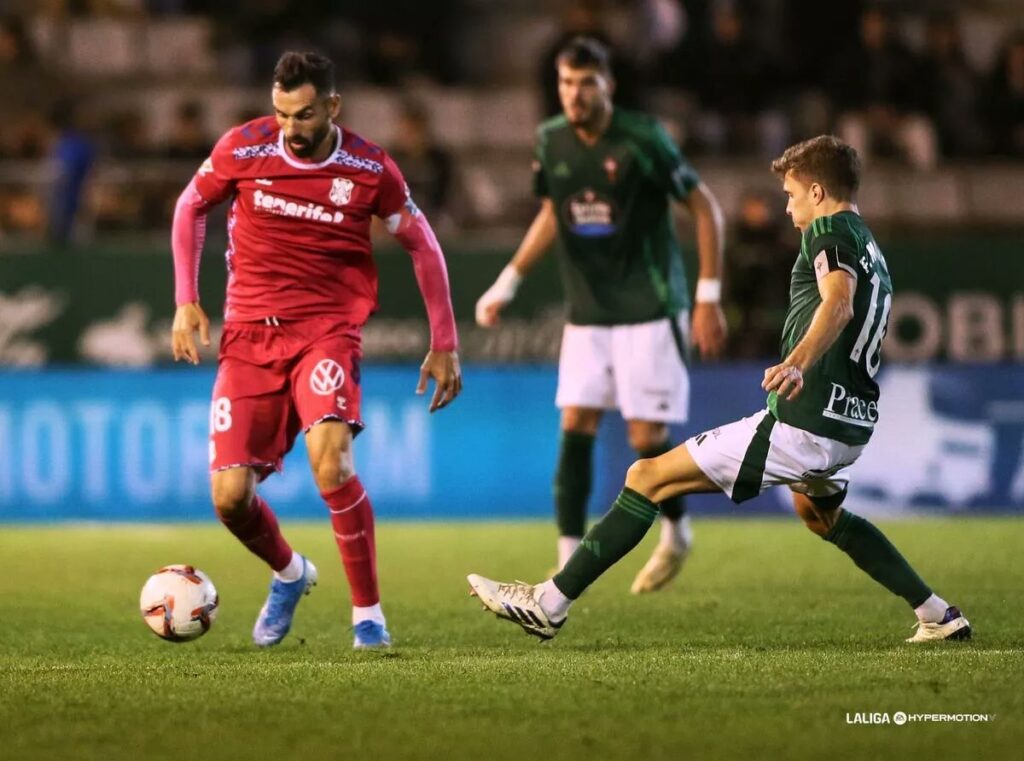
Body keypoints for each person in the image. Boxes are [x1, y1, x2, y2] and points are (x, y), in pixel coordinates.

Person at [468, 135, 972, 645]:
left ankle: (550, 603)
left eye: (792, 194)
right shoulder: (868, 243)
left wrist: (796, 363)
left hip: (805, 421)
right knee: (821, 515)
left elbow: (838, 304)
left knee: (648, 476)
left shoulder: (828, 231)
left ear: (818, 193)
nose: (788, 205)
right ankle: (937, 613)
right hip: (851, 422)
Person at [170, 51, 461, 649]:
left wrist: (445, 342)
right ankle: (291, 573)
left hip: (326, 329)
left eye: (303, 116)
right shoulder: (243, 148)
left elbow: (424, 246)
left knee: (332, 463)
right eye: (280, 115)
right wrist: (186, 298)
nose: (290, 129)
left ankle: (368, 616)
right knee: (230, 499)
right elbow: (190, 206)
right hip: (249, 335)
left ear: (332, 106)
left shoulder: (370, 168)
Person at [475, 36, 727, 595]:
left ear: (607, 85)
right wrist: (507, 281)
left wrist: (708, 295)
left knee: (646, 435)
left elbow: (704, 206)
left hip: (650, 307)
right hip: (588, 313)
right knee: (576, 424)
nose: (575, 94)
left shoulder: (643, 138)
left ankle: (678, 533)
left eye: (586, 83)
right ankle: (566, 558)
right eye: (566, 83)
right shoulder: (550, 141)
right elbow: (552, 212)